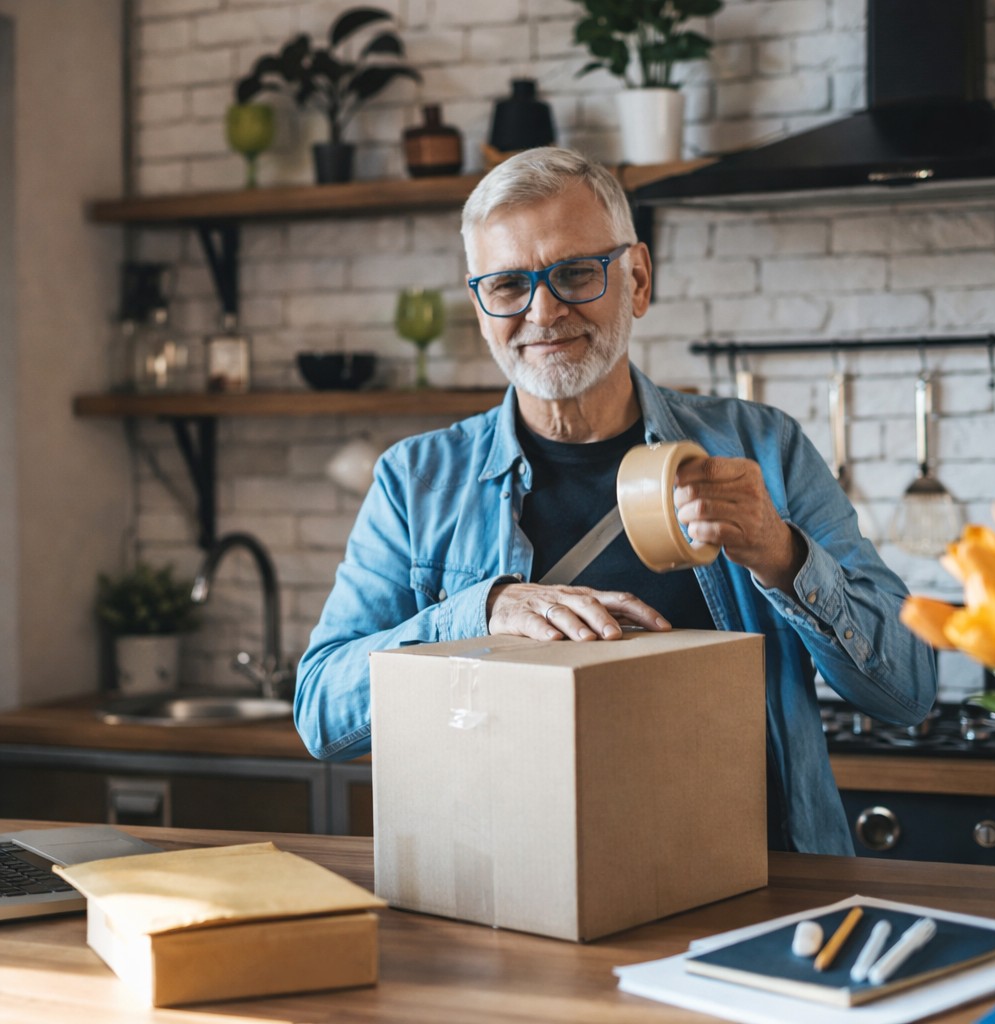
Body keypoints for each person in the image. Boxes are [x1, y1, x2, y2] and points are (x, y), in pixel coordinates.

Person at [295, 147, 936, 855]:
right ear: (482, 310)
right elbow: (322, 713)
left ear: (636, 279)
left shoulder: (763, 448)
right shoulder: (416, 481)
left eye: (574, 273)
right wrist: (478, 614)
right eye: (508, 285)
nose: (543, 311)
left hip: (757, 888)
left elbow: (908, 691)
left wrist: (781, 555)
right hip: (519, 891)